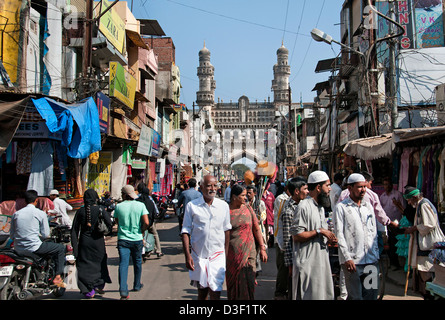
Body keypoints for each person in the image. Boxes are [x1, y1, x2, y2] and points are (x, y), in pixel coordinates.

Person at [181, 175, 232, 300]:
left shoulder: (223, 206)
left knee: (216, 290)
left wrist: (225, 254)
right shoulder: (192, 206)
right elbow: (185, 231)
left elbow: (226, 230)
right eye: (209, 185)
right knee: (202, 290)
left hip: (217, 255)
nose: (212, 189)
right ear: (201, 187)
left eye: (215, 185)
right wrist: (187, 256)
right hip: (199, 255)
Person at [290, 171, 337, 300]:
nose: (330, 189)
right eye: (327, 185)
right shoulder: (303, 206)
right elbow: (296, 235)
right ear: (318, 187)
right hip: (308, 264)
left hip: (321, 261)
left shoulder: (320, 208)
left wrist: (329, 239)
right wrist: (319, 231)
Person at [334, 173, 380, 300]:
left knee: (371, 296)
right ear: (350, 188)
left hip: (371, 260)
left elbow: (373, 231)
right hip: (352, 262)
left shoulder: (368, 206)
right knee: (356, 297)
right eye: (359, 187)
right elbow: (340, 234)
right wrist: (347, 257)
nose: (363, 190)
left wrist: (376, 253)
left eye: (365, 187)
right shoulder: (341, 208)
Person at [10, 190, 66, 287]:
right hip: (34, 247)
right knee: (60, 248)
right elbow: (45, 234)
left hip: (18, 248)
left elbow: (12, 235)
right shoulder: (40, 213)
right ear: (36, 200)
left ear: (25, 201)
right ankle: (57, 276)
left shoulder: (16, 214)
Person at [226, 184, 268, 300]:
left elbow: (256, 228)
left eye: (246, 195)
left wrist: (262, 248)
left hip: (249, 252)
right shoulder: (226, 212)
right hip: (232, 254)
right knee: (234, 283)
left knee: (248, 281)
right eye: (243, 195)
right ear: (234, 197)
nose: (245, 198)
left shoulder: (248, 209)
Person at [403, 186, 445, 300]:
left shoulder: (424, 204)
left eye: (409, 199)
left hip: (429, 244)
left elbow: (429, 224)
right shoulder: (419, 205)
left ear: (415, 197)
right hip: (424, 244)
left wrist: (414, 228)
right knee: (424, 272)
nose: (408, 202)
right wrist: (414, 228)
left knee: (427, 272)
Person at [71, 189, 113, 298]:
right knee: (99, 264)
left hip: (84, 243)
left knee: (84, 266)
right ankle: (98, 284)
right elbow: (110, 224)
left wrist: (75, 249)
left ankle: (88, 291)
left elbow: (74, 231)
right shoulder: (100, 209)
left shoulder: (80, 211)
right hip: (98, 242)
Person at [275, 177, 309, 300]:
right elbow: (288, 239)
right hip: (295, 257)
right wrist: (290, 265)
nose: (307, 191)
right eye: (305, 189)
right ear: (296, 191)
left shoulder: (303, 205)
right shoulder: (289, 211)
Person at [114, 185, 150, 300]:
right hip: (137, 238)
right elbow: (146, 222)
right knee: (137, 262)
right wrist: (142, 231)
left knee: (123, 264)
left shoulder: (118, 206)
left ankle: (123, 291)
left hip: (123, 239)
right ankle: (137, 284)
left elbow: (117, 221)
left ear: (124, 195)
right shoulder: (140, 205)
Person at [379, 177, 406, 270]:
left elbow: (404, 208)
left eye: (388, 184)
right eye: (385, 184)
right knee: (389, 244)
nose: (387, 186)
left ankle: (398, 263)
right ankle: (393, 263)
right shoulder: (382, 197)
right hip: (387, 224)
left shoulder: (398, 194)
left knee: (396, 243)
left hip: (397, 223)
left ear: (391, 185)